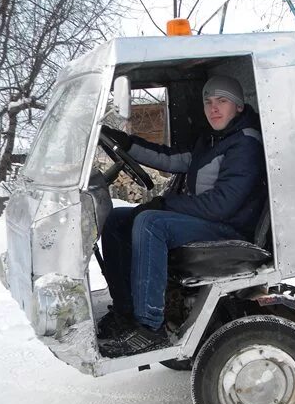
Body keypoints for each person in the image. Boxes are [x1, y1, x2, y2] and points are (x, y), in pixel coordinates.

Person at [98, 75, 266, 357]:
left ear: (238, 106)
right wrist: (126, 144)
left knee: (150, 223)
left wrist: (165, 205)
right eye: (208, 102)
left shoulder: (245, 143)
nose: (213, 108)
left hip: (231, 229)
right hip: (211, 221)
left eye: (222, 101)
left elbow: (221, 206)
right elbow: (172, 160)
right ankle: (125, 313)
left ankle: (149, 327)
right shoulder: (214, 138)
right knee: (117, 220)